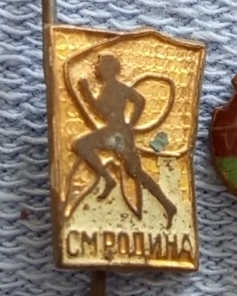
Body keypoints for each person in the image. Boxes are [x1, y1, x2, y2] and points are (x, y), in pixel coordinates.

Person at [73, 53, 177, 229]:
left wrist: (86, 92)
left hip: (116, 134)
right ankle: (166, 204)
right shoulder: (111, 86)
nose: (96, 68)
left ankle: (167, 205)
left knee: (134, 171)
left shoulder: (112, 87)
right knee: (135, 171)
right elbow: (139, 100)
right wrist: (130, 124)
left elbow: (102, 111)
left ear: (108, 68)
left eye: (99, 65)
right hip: (117, 132)